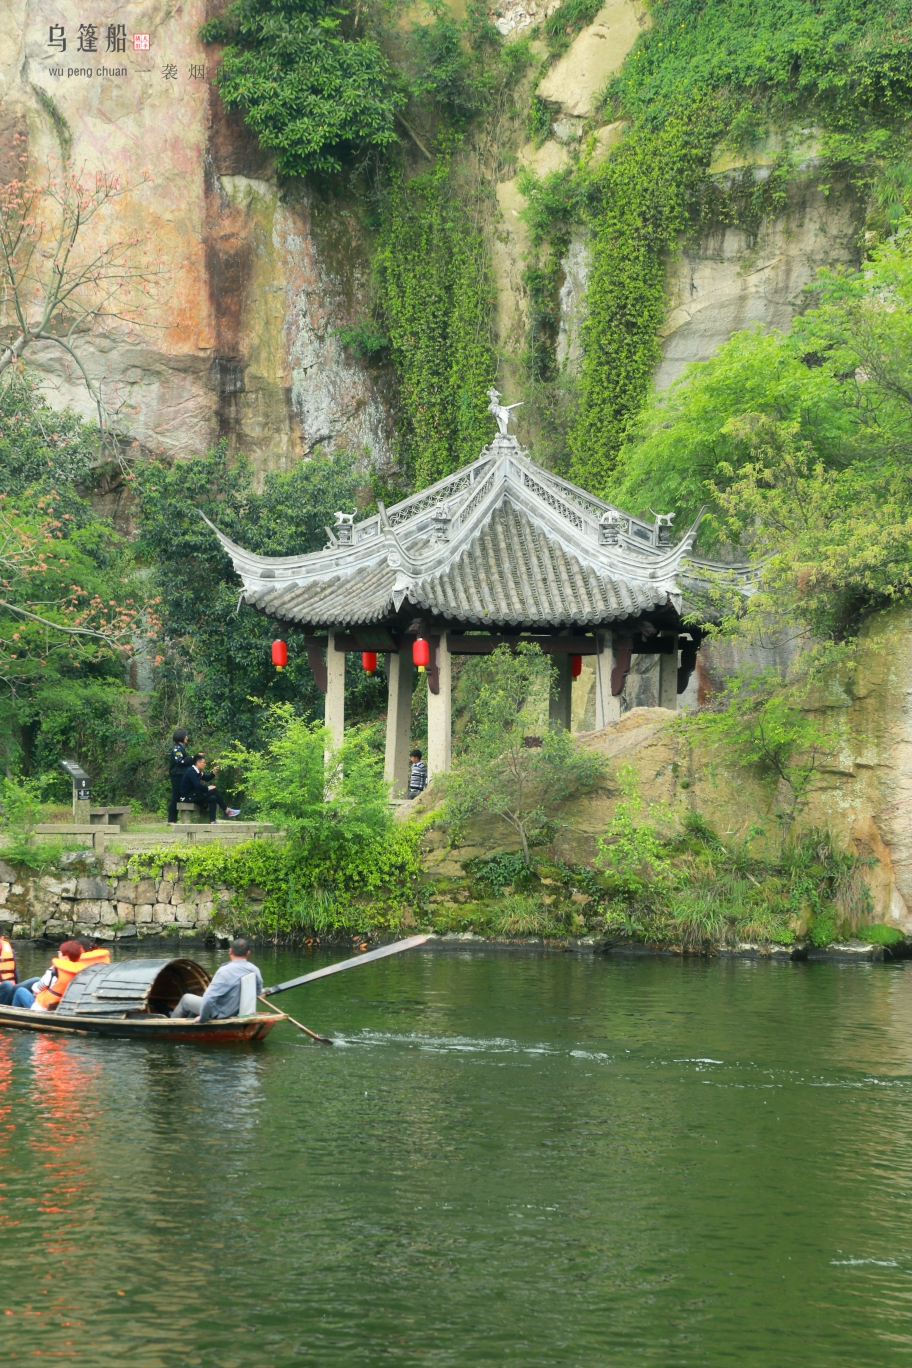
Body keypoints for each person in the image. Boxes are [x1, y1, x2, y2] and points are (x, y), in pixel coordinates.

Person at [170, 939, 263, 1021]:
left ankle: (171, 1023)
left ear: (230, 951)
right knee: (201, 1000)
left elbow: (209, 998)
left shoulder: (224, 971)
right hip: (238, 1011)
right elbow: (257, 993)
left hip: (221, 1013)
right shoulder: (255, 970)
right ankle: (189, 1018)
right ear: (248, 953)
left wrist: (203, 1018)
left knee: (186, 999)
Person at [13, 941, 87, 1011]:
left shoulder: (55, 970)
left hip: (45, 1008)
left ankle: (13, 1016)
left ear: (66, 956)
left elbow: (37, 988)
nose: (59, 954)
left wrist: (34, 986)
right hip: (65, 1007)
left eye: (60, 952)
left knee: (20, 991)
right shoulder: (83, 971)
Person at [179, 753, 240, 824]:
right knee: (213, 790)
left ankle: (212, 821)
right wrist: (208, 788)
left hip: (195, 794)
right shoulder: (191, 771)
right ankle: (226, 810)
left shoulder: (197, 771)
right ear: (198, 763)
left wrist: (214, 773)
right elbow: (197, 785)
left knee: (213, 798)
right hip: (188, 796)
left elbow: (206, 778)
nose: (205, 764)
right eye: (203, 762)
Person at [168, 727, 193, 824]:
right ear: (181, 737)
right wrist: (192, 758)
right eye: (185, 735)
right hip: (177, 776)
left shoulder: (182, 748)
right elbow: (180, 761)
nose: (187, 737)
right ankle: (171, 820)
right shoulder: (177, 749)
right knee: (175, 797)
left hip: (182, 775)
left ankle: (174, 819)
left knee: (179, 796)